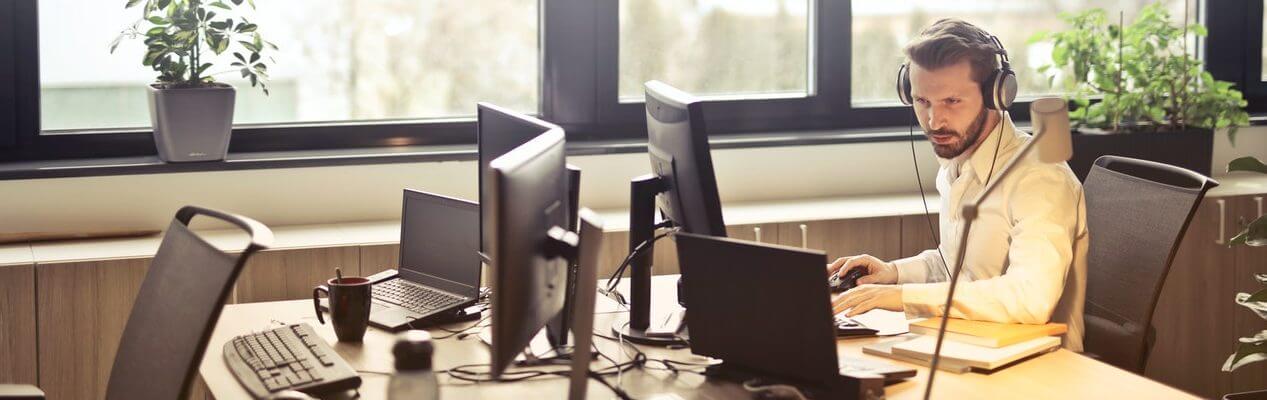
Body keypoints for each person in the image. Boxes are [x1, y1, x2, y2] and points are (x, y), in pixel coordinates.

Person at [828, 19, 1089, 351]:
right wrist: (893, 273)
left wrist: (902, 296)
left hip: (1039, 367)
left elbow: (1030, 299)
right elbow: (956, 267)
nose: (935, 122)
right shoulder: (957, 164)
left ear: (997, 94)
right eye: (922, 102)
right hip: (968, 345)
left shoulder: (1040, 178)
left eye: (951, 102)